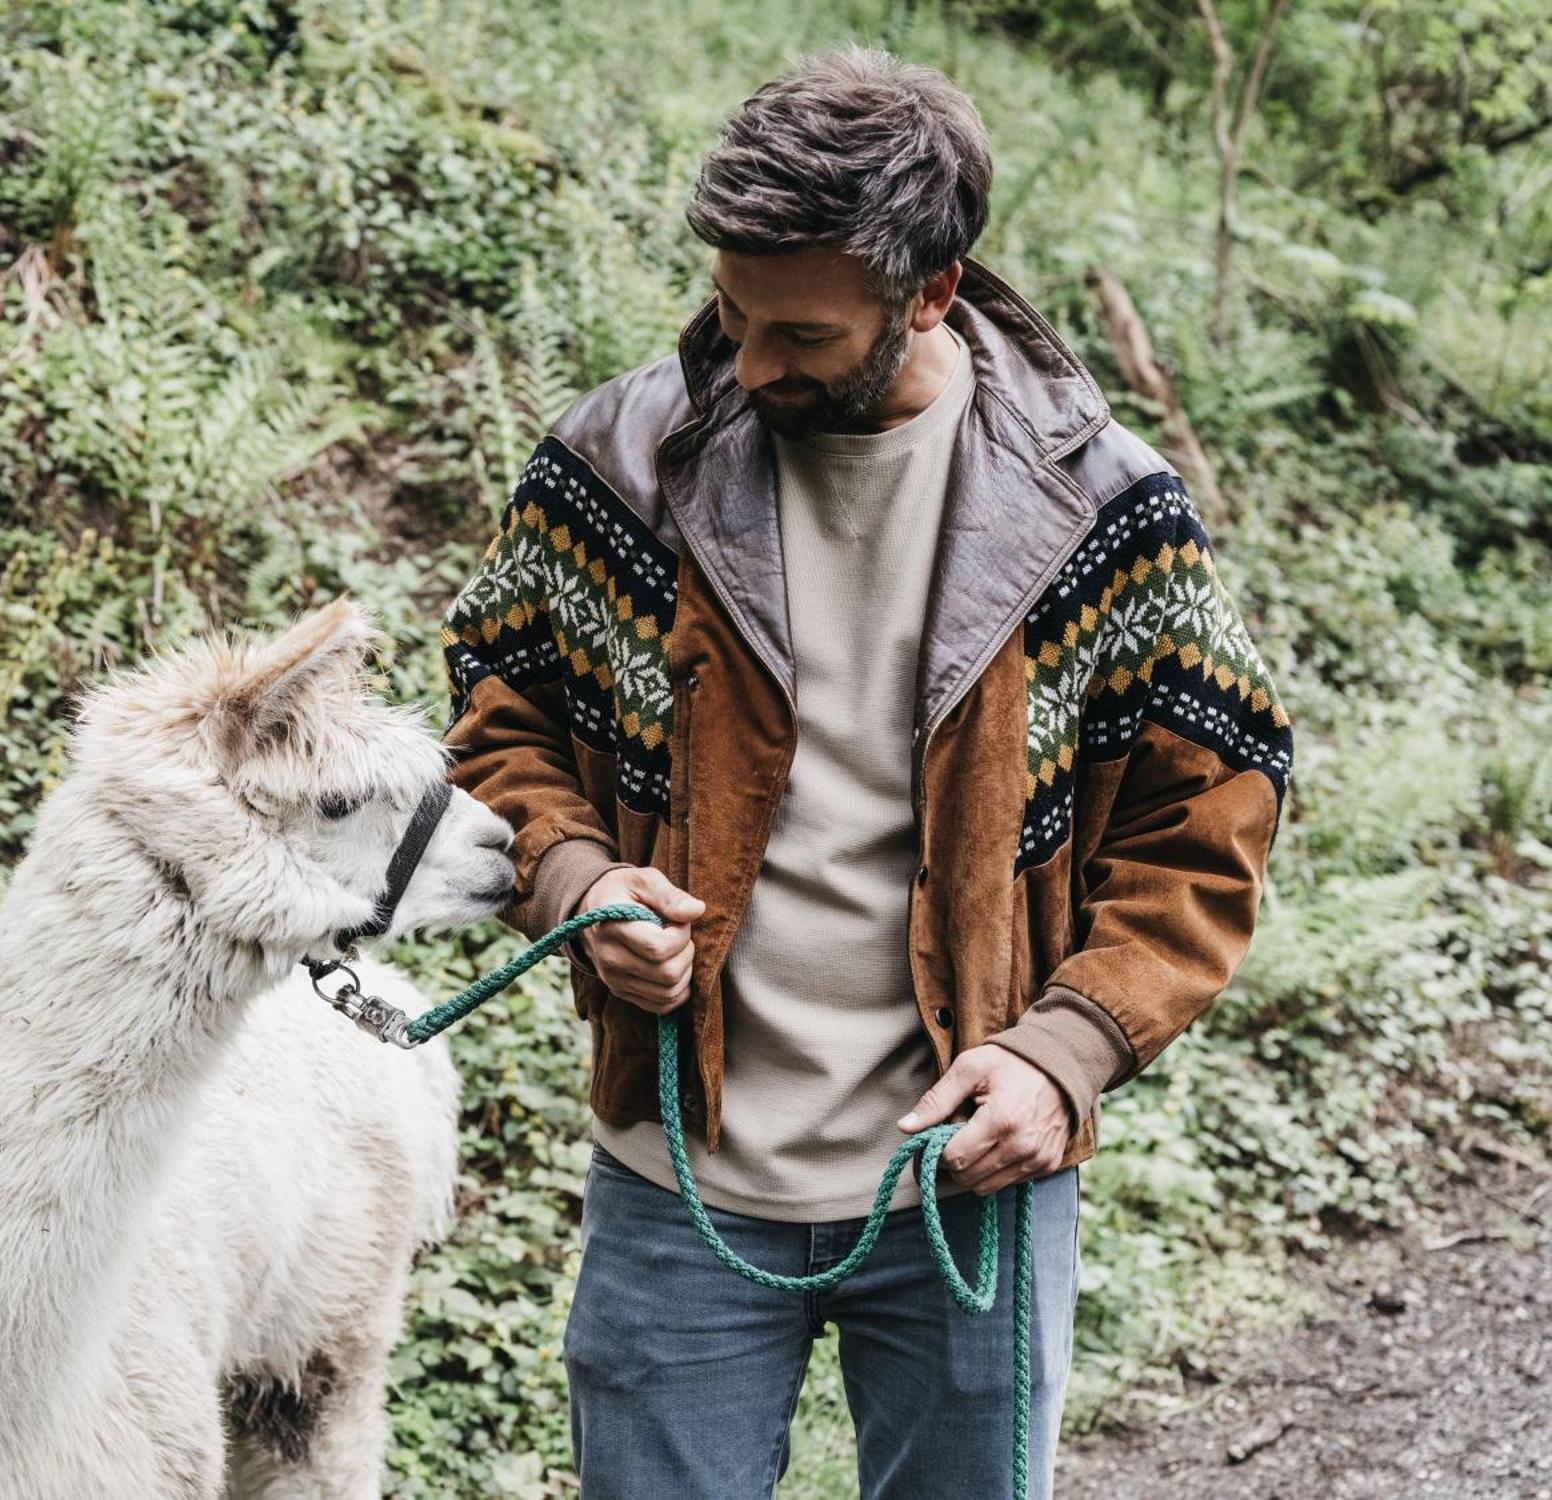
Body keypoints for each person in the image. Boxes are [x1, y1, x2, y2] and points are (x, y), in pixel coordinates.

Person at [437, 42, 1294, 1499]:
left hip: (971, 1193)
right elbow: (497, 727)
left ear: (932, 293)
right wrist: (578, 884)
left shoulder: (1103, 511)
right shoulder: (619, 463)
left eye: (803, 337)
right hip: (679, 1183)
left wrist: (1062, 1055)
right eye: (732, 313)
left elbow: (1207, 823)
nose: (749, 363)